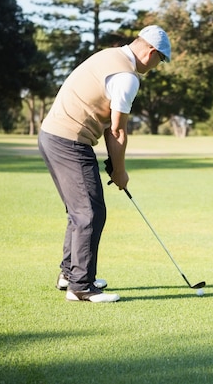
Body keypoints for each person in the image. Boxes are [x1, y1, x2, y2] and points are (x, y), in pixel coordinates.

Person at [38, 25, 171, 303]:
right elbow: (117, 131)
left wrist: (114, 163)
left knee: (79, 212)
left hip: (51, 135)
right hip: (69, 140)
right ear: (150, 52)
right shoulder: (127, 77)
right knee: (90, 213)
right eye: (161, 60)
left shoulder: (109, 55)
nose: (157, 66)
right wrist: (119, 171)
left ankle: (70, 274)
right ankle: (81, 287)